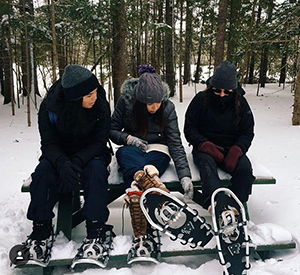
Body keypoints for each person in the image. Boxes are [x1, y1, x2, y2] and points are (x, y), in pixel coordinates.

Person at [23, 65, 115, 266]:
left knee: (96, 172)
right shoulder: (50, 108)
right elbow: (48, 143)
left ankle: (96, 230)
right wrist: (62, 162)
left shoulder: (100, 105)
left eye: (96, 91)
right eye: (89, 94)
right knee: (43, 173)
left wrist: (78, 160)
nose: (95, 96)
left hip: (91, 154)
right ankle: (41, 230)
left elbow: (100, 141)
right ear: (75, 97)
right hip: (59, 154)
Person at [109, 65, 193, 262]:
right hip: (131, 148)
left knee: (135, 179)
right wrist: (129, 139)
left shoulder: (167, 107)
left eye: (158, 102)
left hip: (157, 152)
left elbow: (174, 142)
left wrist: (185, 176)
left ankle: (141, 231)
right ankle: (157, 193)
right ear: (140, 100)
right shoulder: (126, 102)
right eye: (150, 103)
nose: (155, 106)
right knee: (128, 157)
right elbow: (111, 130)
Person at [184, 61, 255, 232]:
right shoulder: (201, 100)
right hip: (206, 147)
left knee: (244, 169)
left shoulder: (241, 103)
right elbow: (189, 128)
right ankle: (217, 206)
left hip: (231, 147)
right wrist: (203, 144)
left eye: (227, 91)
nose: (222, 95)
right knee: (207, 168)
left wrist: (237, 150)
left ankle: (237, 207)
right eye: (217, 90)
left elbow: (247, 131)